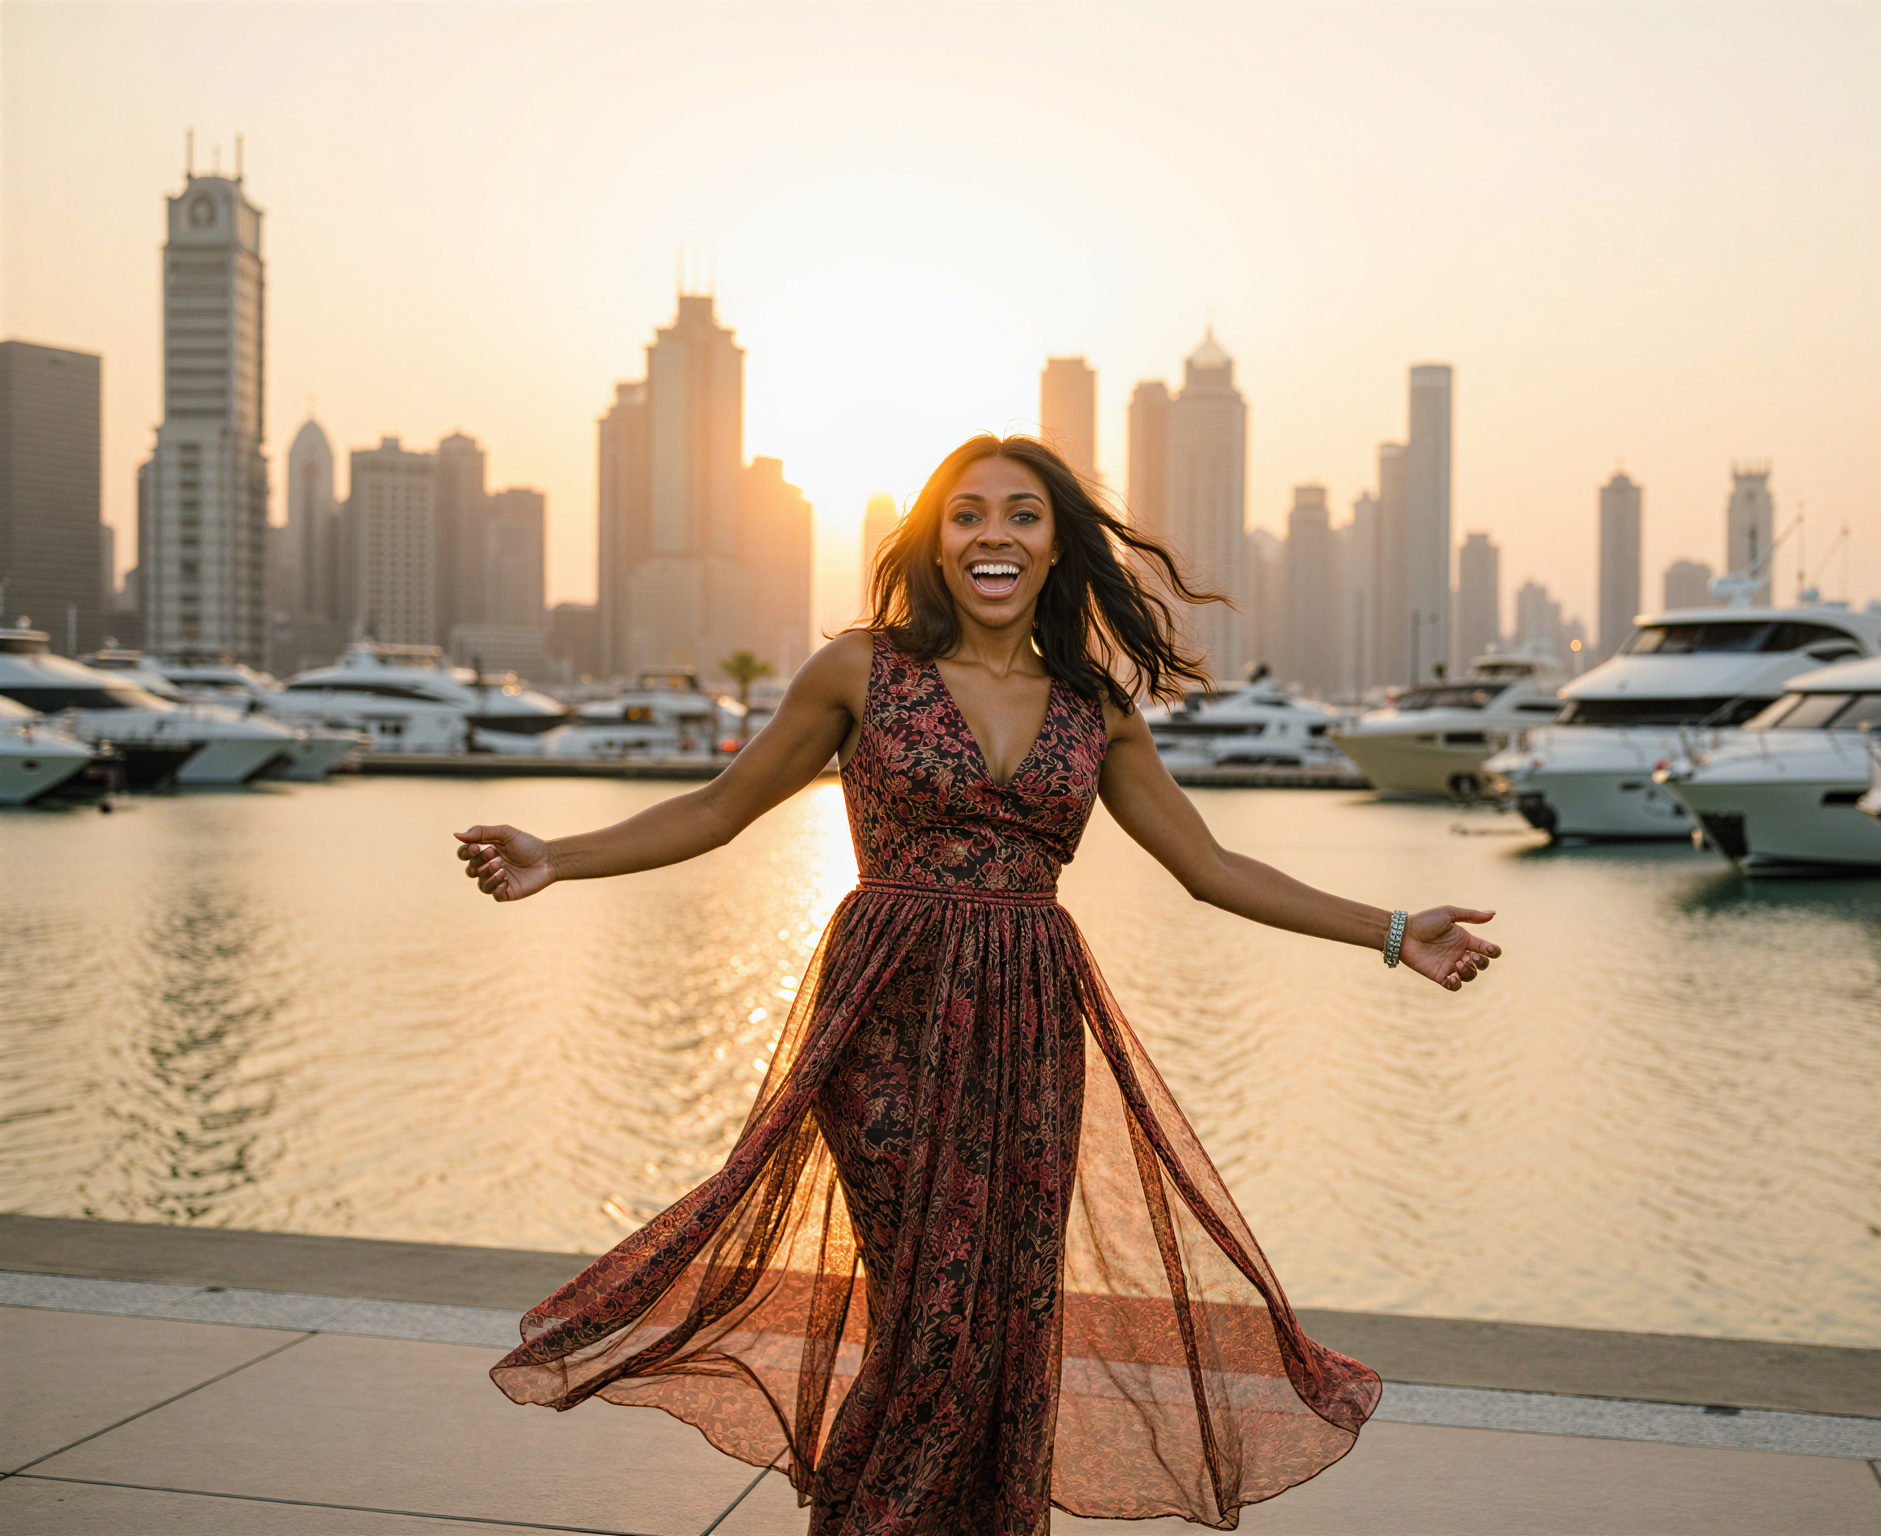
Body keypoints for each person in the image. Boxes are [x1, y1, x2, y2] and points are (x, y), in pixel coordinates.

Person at [455, 434, 1501, 1536]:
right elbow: (718, 809)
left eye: (1021, 515)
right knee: (933, 1315)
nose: (992, 534)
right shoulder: (862, 670)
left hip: (1030, 1025)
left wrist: (1392, 931)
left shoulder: (1092, 705)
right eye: (966, 515)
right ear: (933, 542)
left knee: (1007, 1321)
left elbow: (1209, 869)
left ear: (1056, 549)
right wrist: (558, 855)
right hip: (887, 1015)